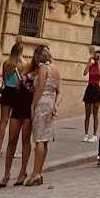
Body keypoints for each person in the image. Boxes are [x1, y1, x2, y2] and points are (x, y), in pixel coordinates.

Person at [24, 44, 60, 185]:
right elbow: (59, 90)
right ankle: (40, 171)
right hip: (50, 104)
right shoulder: (55, 69)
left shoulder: (43, 69)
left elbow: (39, 88)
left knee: (38, 140)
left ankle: (35, 173)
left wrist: (33, 105)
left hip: (41, 104)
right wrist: (56, 105)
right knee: (45, 140)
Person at [0, 52, 37, 187]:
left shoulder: (40, 73)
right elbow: (16, 86)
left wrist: (28, 84)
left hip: (28, 107)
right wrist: (20, 80)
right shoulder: (24, 69)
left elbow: (37, 91)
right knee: (11, 140)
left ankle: (22, 172)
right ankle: (7, 173)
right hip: (17, 105)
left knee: (25, 139)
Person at [0, 42, 24, 158]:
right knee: (15, 123)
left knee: (3, 121)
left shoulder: (6, 63)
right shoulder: (23, 64)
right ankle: (14, 149)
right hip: (17, 93)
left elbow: (3, 77)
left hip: (6, 92)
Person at [82, 49, 100, 142]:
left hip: (97, 88)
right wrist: (88, 62)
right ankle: (86, 134)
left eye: (97, 56)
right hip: (90, 88)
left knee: (95, 114)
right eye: (95, 56)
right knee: (87, 114)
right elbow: (84, 73)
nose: (96, 58)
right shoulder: (91, 66)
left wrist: (99, 62)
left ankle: (94, 134)